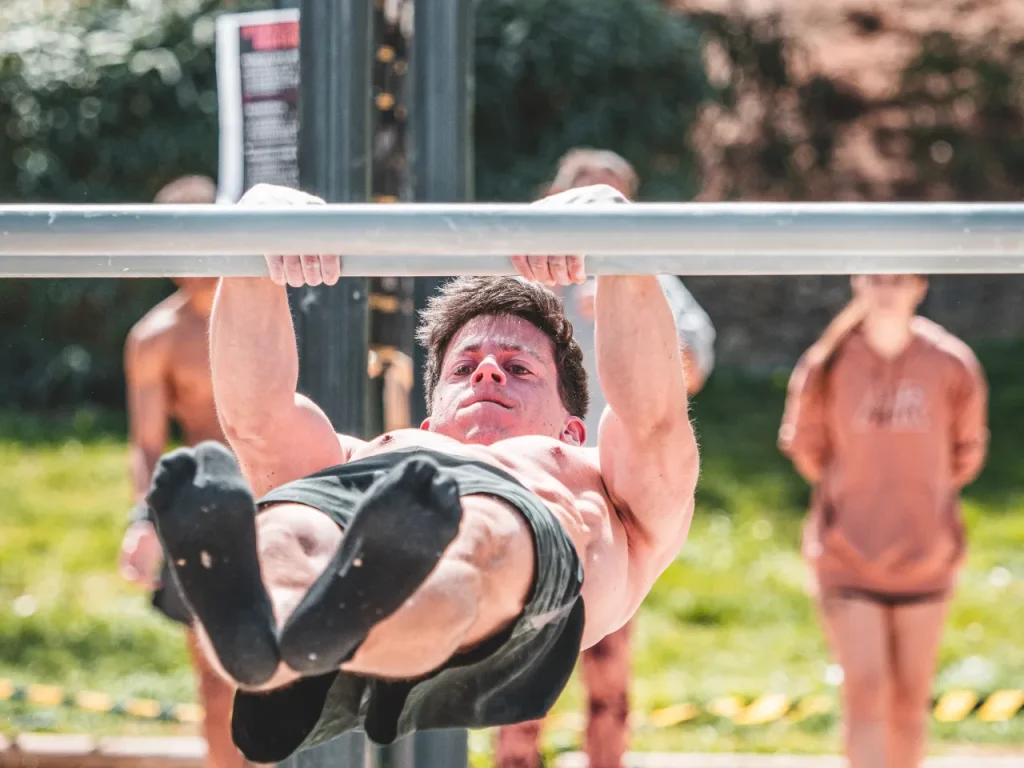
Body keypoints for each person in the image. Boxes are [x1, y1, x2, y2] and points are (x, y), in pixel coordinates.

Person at [140, 181, 700, 764]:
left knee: (480, 529)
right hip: (370, 533)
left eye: (518, 367)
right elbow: (256, 418)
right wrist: (256, 231)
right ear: (430, 422)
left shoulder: (599, 482)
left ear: (572, 429)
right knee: (296, 527)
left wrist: (620, 241)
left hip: (509, 595)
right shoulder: (377, 450)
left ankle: (329, 620)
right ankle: (268, 638)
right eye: (465, 367)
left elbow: (654, 416)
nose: (487, 374)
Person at [495, 149, 716, 768]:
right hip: (531, 493)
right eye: (591, 199)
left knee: (609, 687)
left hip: (611, 496)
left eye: (618, 203)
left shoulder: (642, 268)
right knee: (519, 696)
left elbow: (694, 369)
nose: (603, 215)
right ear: (556, 198)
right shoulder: (519, 271)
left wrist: (636, 322)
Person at [778, 275, 989, 768]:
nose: (887, 289)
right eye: (876, 278)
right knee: (866, 694)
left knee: (911, 703)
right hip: (847, 555)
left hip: (927, 555)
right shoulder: (827, 362)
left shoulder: (951, 363)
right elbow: (808, 449)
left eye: (898, 279)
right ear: (858, 283)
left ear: (920, 285)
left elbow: (966, 454)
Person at [118, 177, 244, 768]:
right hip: (205, 510)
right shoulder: (154, 339)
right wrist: (142, 519)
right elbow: (146, 445)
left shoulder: (266, 313)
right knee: (217, 679)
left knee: (289, 678)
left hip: (283, 494)